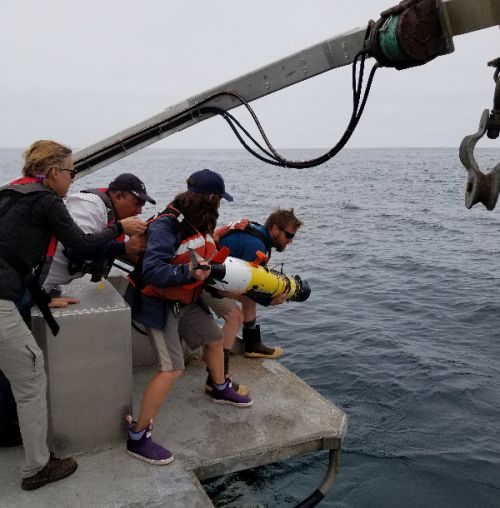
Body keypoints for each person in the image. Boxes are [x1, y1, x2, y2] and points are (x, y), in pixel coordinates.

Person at [0, 140, 146, 491]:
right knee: (31, 375)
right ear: (52, 173)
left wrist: (42, 295)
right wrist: (121, 229)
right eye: (71, 171)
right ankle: (37, 467)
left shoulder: (6, 194)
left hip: (13, 292)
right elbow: (80, 245)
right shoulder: (48, 200)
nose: (73, 178)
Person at [124, 168, 252, 465]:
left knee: (214, 337)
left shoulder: (196, 222)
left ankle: (219, 387)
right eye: (219, 199)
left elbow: (201, 263)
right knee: (172, 369)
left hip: (184, 298)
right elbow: (152, 270)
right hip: (156, 303)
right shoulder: (166, 226)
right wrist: (188, 272)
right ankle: (138, 435)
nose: (220, 205)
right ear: (210, 197)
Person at [204, 208, 303, 377]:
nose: (290, 241)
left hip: (212, 272)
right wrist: (270, 301)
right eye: (289, 236)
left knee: (249, 302)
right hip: (205, 280)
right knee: (235, 317)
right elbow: (246, 286)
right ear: (275, 229)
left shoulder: (257, 234)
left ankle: (252, 345)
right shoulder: (255, 244)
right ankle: (218, 375)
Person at [43, 172, 155, 296]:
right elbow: (76, 249)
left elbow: (110, 246)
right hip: (39, 285)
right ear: (117, 196)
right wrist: (124, 247)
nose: (140, 211)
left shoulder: (114, 217)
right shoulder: (89, 204)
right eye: (137, 203)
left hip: (51, 285)